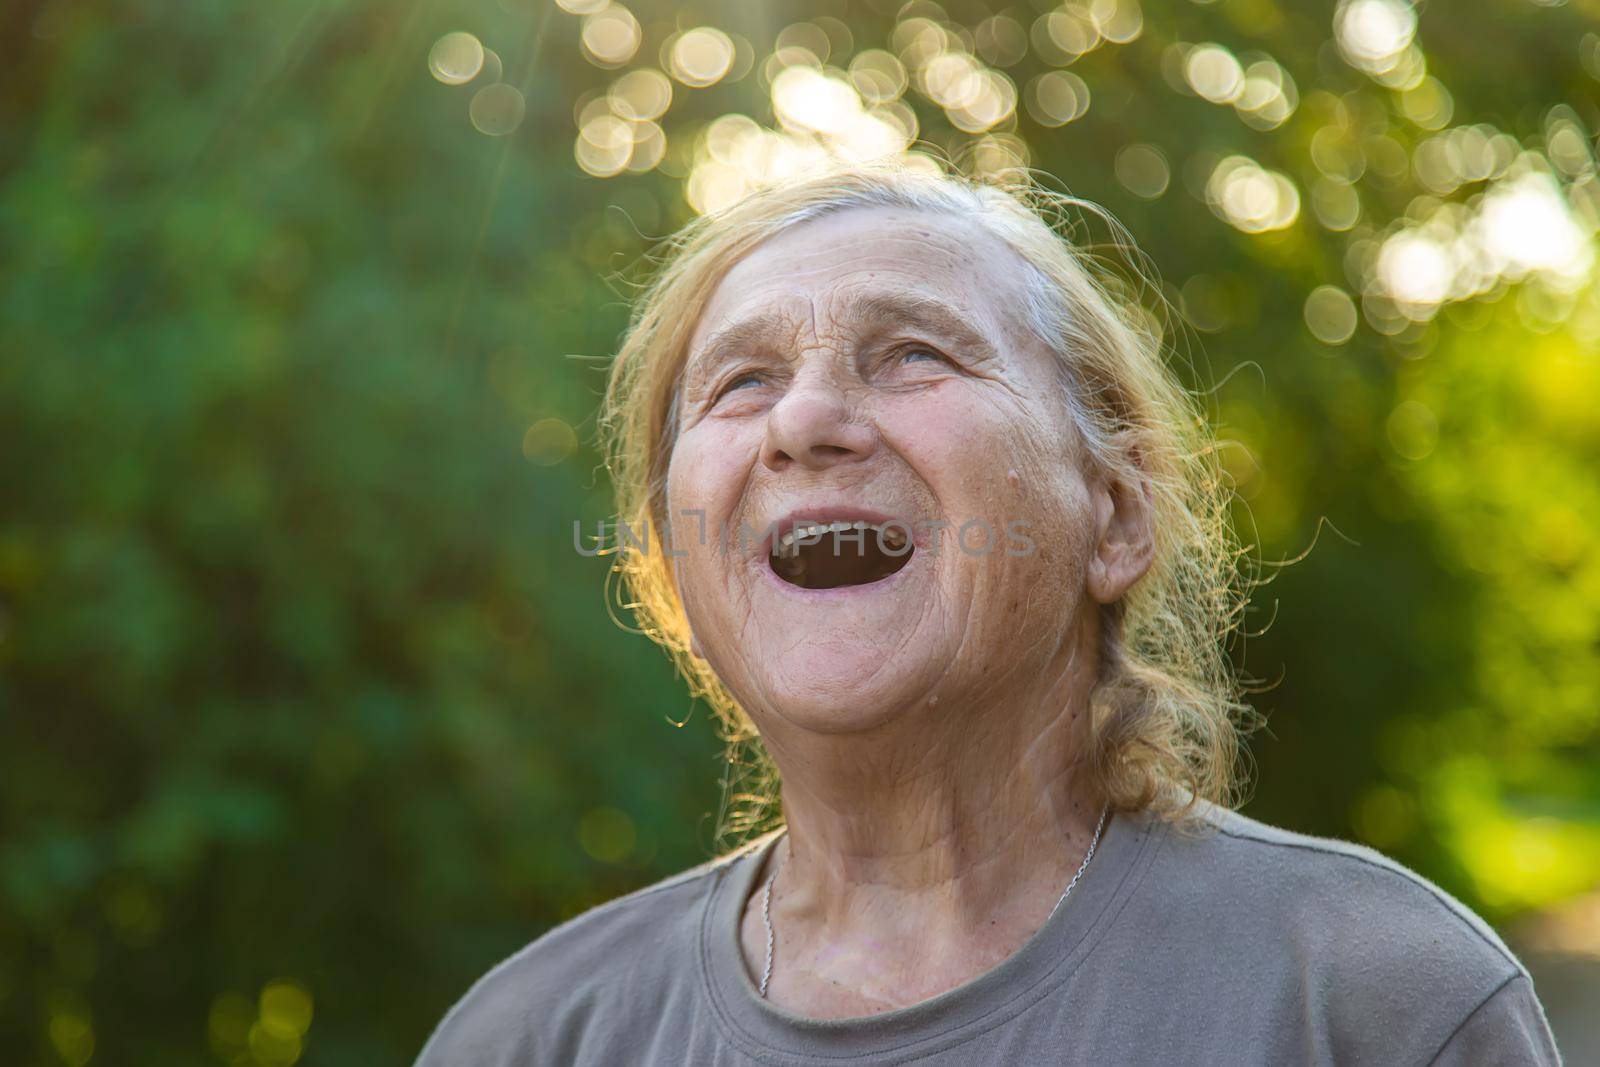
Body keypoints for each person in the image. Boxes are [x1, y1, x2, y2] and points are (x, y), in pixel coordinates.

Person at [415, 163, 1562, 1065]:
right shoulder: (525, 1040)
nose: (804, 419)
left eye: (911, 353)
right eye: (740, 382)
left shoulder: (1378, 1005)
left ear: (1115, 516)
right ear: (674, 567)